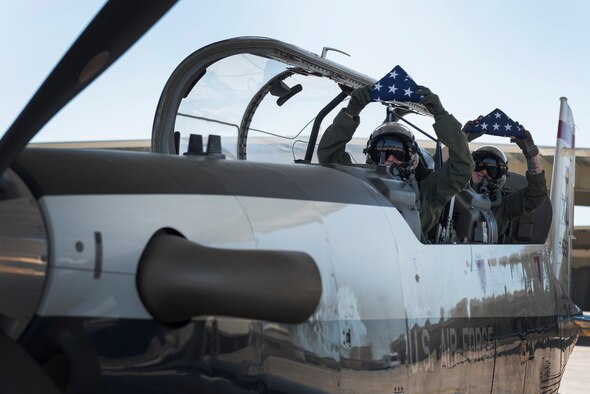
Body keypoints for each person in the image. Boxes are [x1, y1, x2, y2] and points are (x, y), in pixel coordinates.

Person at [317, 85, 474, 241]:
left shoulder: (429, 192)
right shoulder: (357, 182)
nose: (390, 159)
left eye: (399, 152)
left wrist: (441, 115)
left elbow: (462, 166)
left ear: (411, 157)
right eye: (382, 150)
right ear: (371, 154)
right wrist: (351, 112)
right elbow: (329, 155)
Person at [465, 120, 548, 239]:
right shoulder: (454, 193)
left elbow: (537, 193)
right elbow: (434, 173)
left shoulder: (504, 205)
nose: (483, 172)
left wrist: (531, 153)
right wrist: (461, 139)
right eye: (479, 165)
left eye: (491, 170)